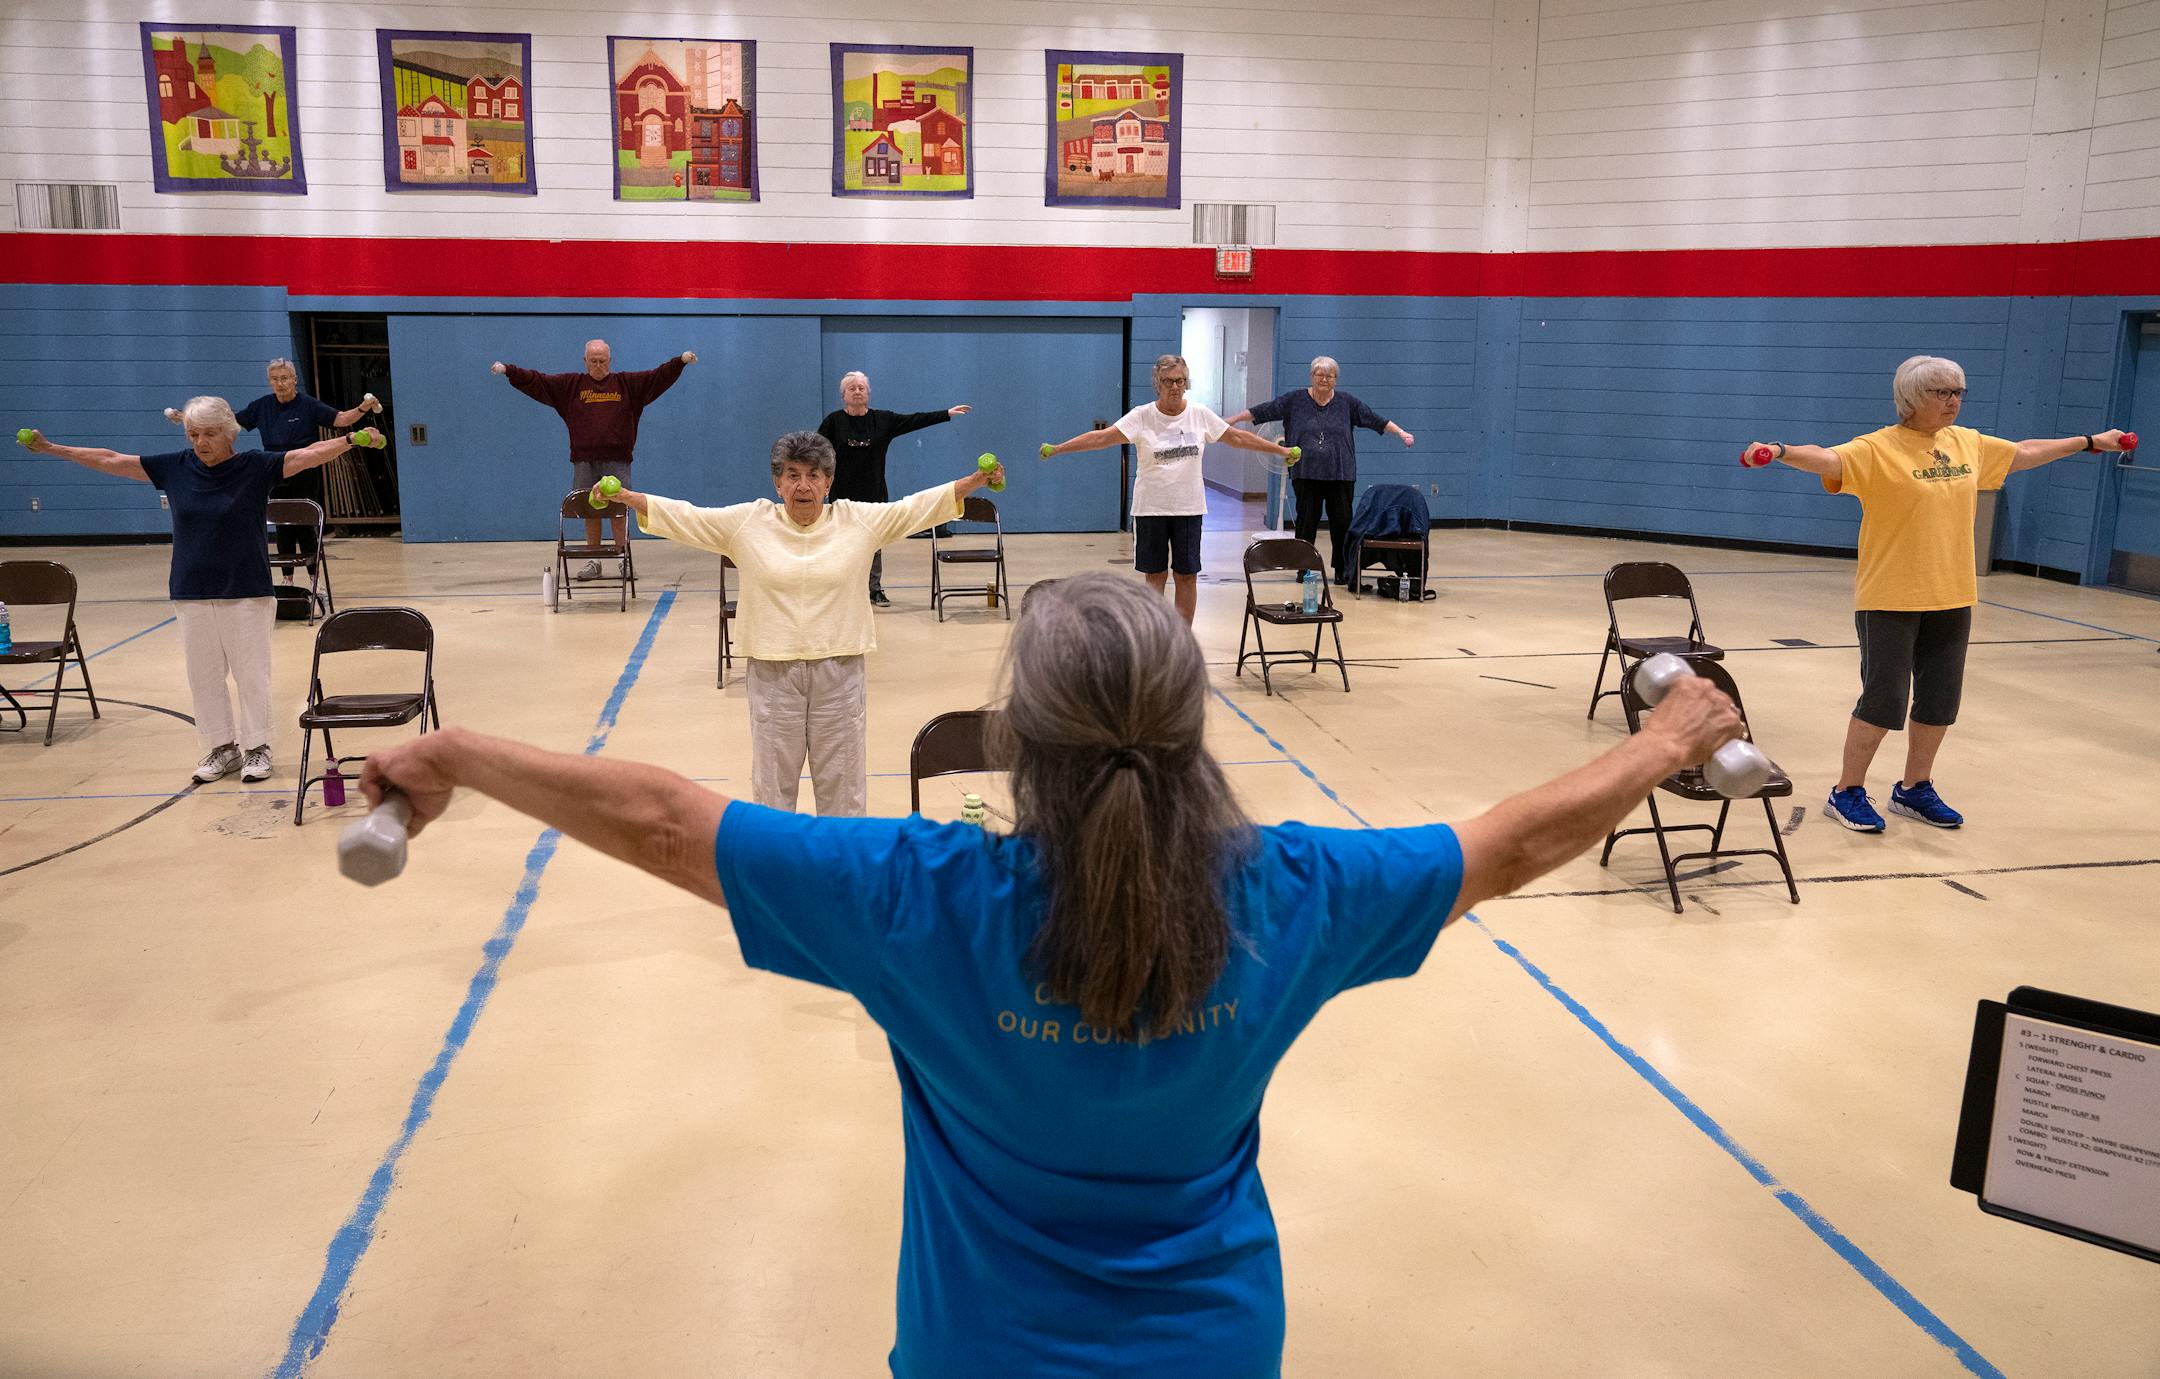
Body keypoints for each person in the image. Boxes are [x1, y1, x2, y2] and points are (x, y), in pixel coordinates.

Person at [356, 571, 1742, 1379]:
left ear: (1017, 734)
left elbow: (666, 817)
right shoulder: (1299, 891)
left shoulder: (922, 895)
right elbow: (1505, 846)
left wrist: (464, 755)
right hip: (1214, 1343)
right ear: (1195, 725)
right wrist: (1666, 738)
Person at [1742, 355, 2131, 832]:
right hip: (1890, 597)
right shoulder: (1878, 448)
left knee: (1940, 700)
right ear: (1910, 397)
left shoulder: (1966, 443)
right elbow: (1828, 458)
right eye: (1942, 393)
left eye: (1959, 392)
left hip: (1952, 594)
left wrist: (2090, 442)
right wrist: (1780, 451)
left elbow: (2023, 452)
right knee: (1883, 699)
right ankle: (1846, 791)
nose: (1953, 402)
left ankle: (1913, 788)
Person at [609, 430, 1004, 816]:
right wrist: (625, 497)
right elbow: (686, 516)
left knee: (844, 787)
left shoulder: (856, 521)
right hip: (772, 673)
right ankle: (778, 872)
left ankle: (841, 874)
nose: (803, 485)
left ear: (828, 482)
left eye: (814, 476)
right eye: (793, 475)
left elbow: (913, 508)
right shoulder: (748, 522)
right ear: (777, 483)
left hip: (840, 673)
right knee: (773, 788)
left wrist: (973, 481)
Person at [19, 403, 382, 783]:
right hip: (190, 589)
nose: (200, 442)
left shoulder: (255, 467)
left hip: (245, 589)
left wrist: (351, 440)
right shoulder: (174, 467)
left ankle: (258, 748)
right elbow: (112, 459)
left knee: (250, 674)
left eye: (208, 434)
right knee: (203, 676)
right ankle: (222, 749)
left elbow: (306, 456)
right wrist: (52, 448)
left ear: (229, 434)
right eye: (193, 434)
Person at [1042, 354, 1294, 624]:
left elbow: (1237, 437)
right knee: (1155, 575)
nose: (1175, 387)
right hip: (1151, 509)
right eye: (1168, 381)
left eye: (1180, 381)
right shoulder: (1142, 416)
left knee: (1187, 575)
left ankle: (1182, 640)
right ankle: (1156, 637)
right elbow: (1102, 438)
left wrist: (1279, 450)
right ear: (1157, 384)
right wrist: (1060, 449)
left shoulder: (1199, 414)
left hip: (1189, 508)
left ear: (1187, 383)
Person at [491, 340, 695, 579]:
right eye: (593, 361)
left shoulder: (627, 385)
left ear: (610, 361)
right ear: (584, 361)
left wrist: (680, 362)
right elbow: (538, 381)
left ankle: (623, 560)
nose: (598, 365)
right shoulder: (571, 386)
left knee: (619, 510)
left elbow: (657, 377)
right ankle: (594, 561)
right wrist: (509, 371)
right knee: (590, 510)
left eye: (602, 361)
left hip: (618, 461)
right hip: (584, 461)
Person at [169, 358, 382, 583]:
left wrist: (362, 408)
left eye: (285, 378)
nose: (280, 384)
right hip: (273, 469)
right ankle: (287, 579)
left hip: (304, 468)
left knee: (305, 525)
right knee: (282, 526)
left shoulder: (308, 405)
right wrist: (186, 418)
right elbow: (225, 423)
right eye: (275, 379)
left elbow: (341, 419)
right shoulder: (261, 406)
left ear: (294, 380)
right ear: (270, 382)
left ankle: (314, 580)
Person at [1226, 356, 1414, 586]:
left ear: (1335, 379)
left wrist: (1402, 433)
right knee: (1306, 523)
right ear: (1312, 376)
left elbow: (1376, 420)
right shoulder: (1294, 400)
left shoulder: (1347, 403)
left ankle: (1344, 570)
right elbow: (1263, 411)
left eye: (1329, 375)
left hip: (1340, 474)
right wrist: (1233, 420)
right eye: (1319, 374)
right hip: (1306, 474)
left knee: (1342, 523)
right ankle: (1303, 568)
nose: (1324, 379)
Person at [817, 371, 972, 607]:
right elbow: (816, 452)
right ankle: (842, 588)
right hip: (842, 495)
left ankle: (874, 590)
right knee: (842, 542)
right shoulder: (833, 422)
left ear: (868, 393)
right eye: (852, 388)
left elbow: (915, 420)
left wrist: (946, 414)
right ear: (843, 395)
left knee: (875, 544)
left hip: (874, 494)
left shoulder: (883, 420)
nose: (857, 391)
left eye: (861, 387)